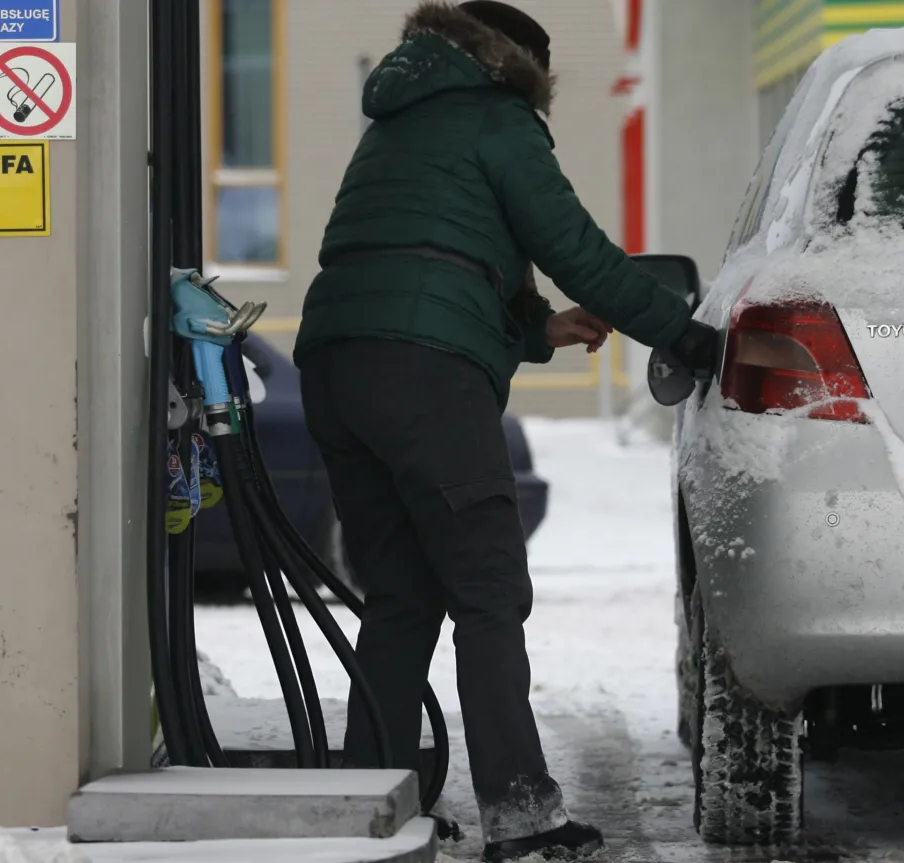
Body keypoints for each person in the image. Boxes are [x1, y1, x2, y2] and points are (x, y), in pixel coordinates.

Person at [292, 2, 718, 860]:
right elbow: (580, 251)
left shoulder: (397, 123)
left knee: (402, 599)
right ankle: (523, 815)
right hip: (425, 379)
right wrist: (689, 334)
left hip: (337, 365)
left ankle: (369, 803)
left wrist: (535, 332)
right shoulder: (498, 119)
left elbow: (416, 260)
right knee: (488, 595)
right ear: (519, 65)